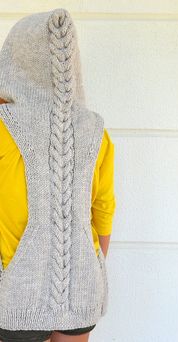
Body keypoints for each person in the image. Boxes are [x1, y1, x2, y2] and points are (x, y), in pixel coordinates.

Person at [0, 7, 116, 342]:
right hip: (81, 288)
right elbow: (104, 212)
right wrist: (82, 268)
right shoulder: (96, 130)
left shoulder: (4, 127)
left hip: (15, 292)